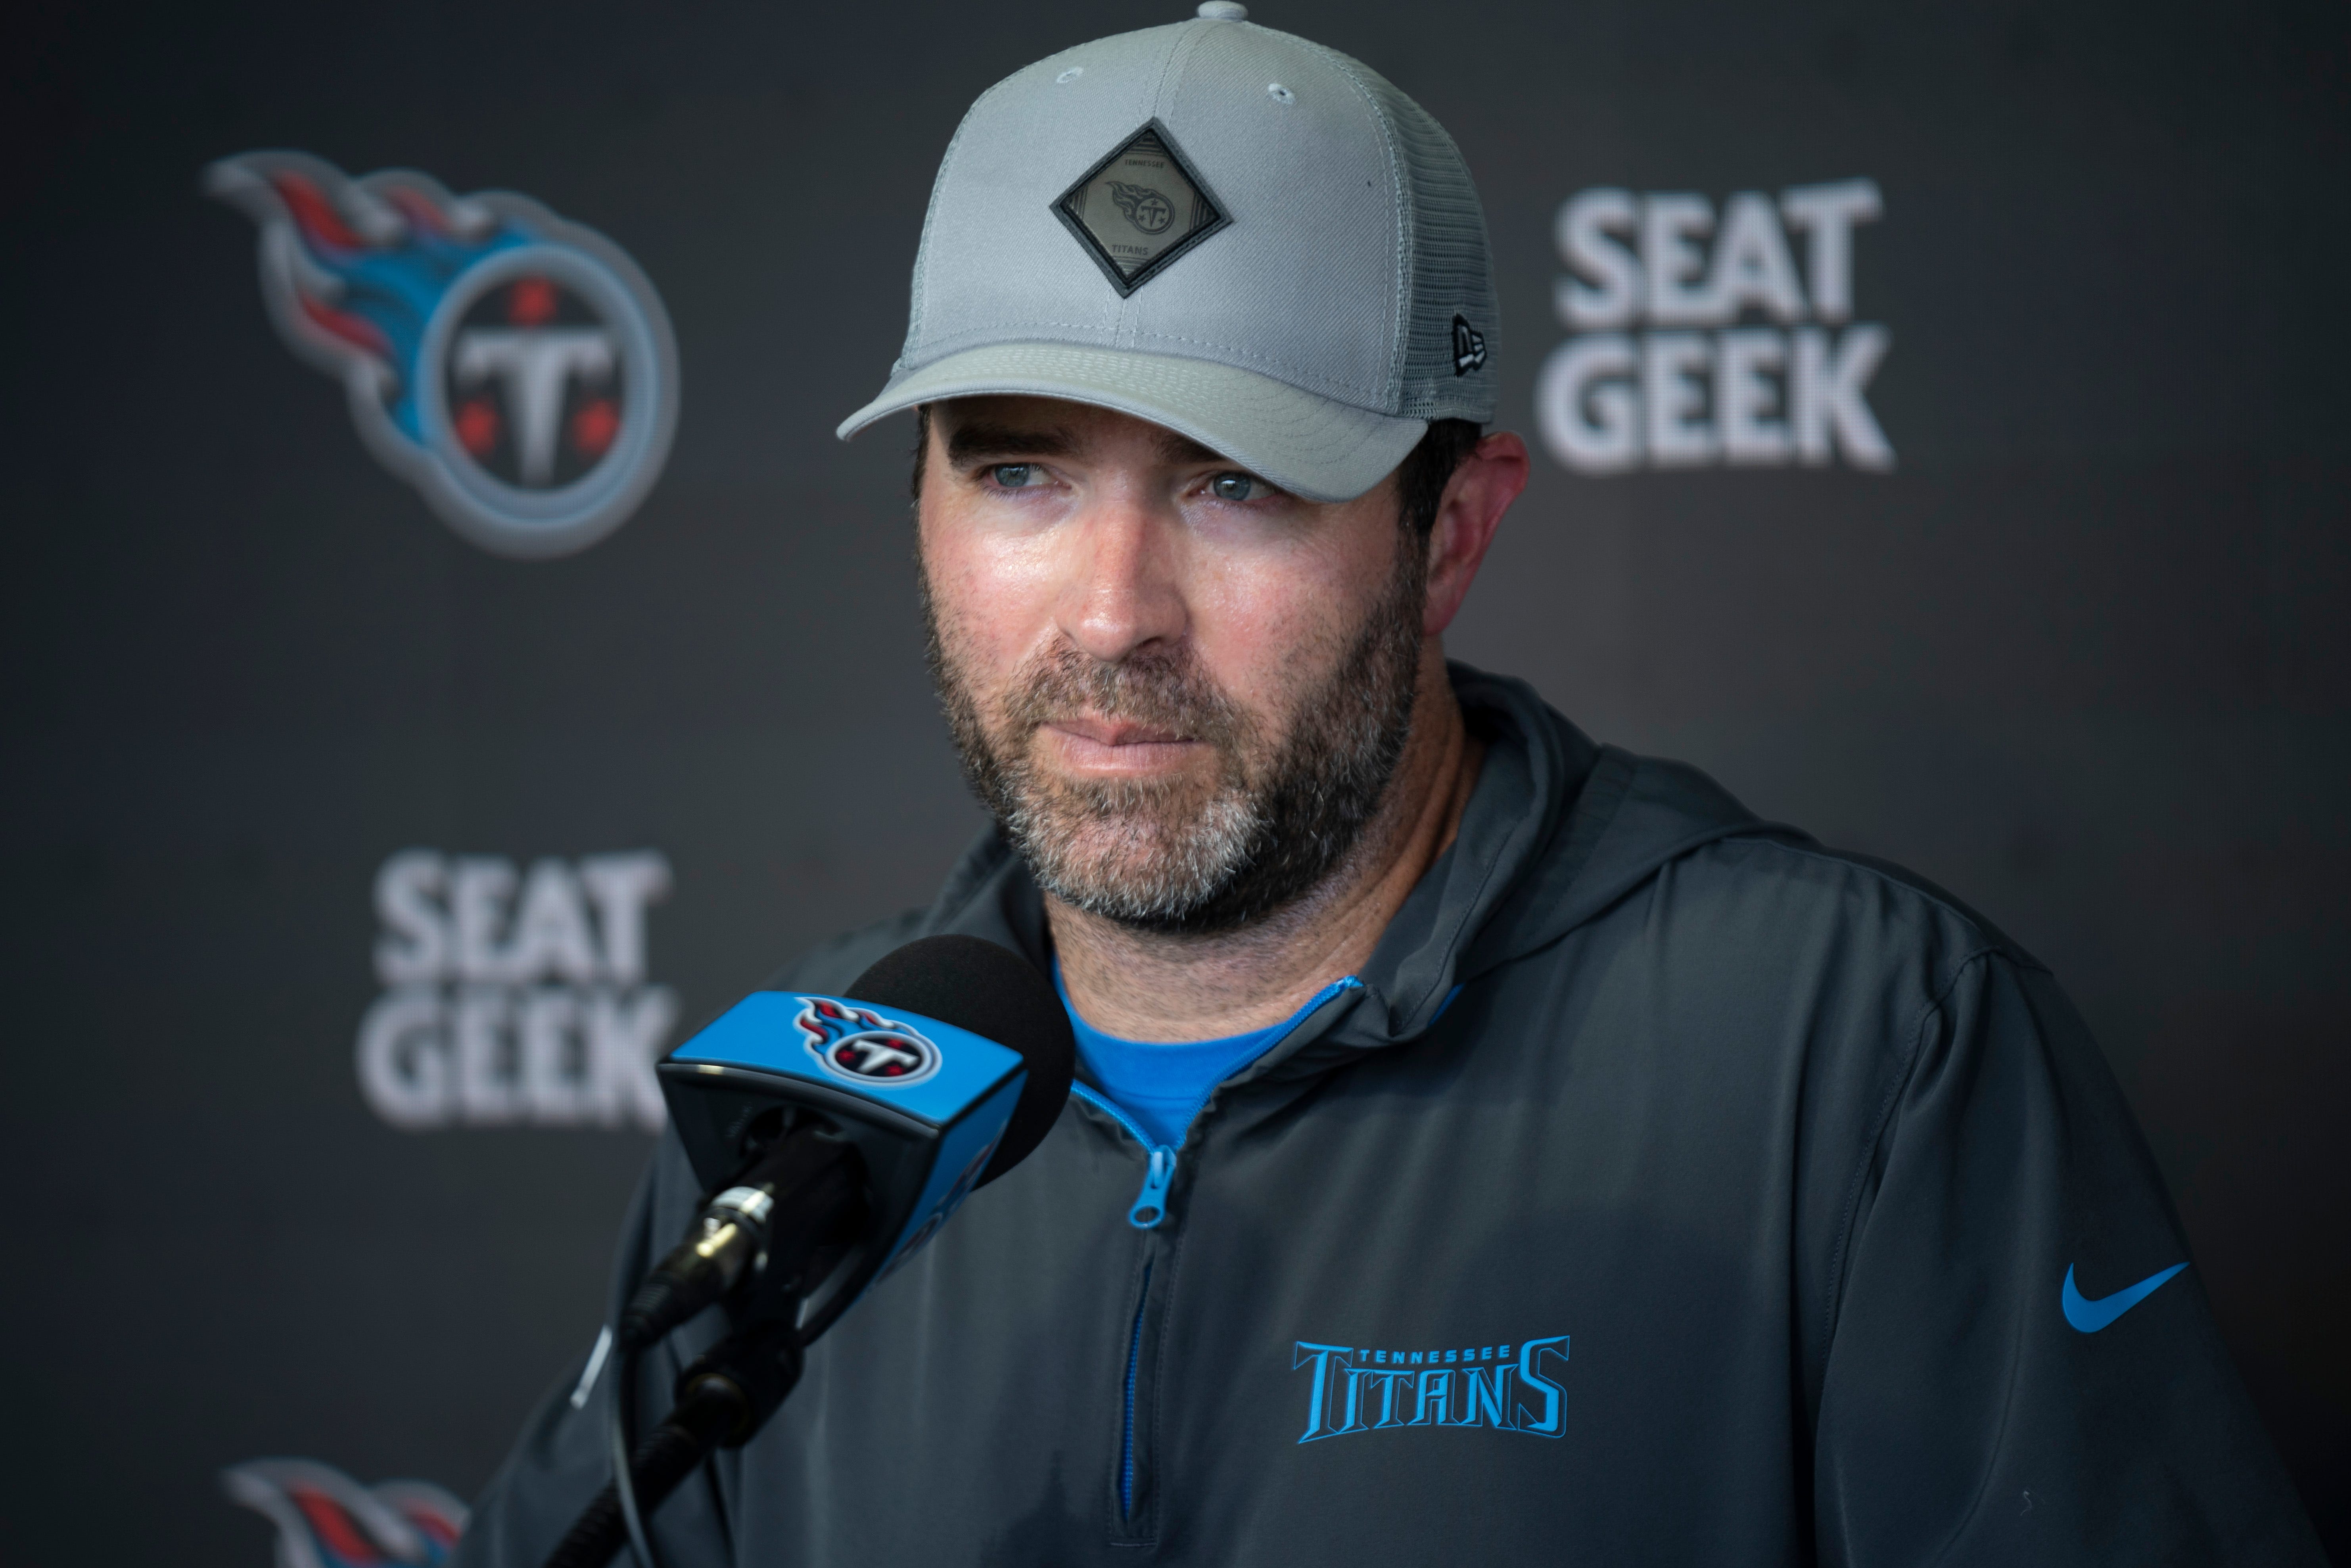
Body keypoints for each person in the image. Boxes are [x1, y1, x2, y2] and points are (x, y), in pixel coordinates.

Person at [456, 8, 2323, 1563]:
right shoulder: (808, 1118)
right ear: (923, 506)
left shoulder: (1856, 1051)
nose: (1114, 615)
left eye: (1235, 483)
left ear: (1453, 532)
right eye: (1022, 472)